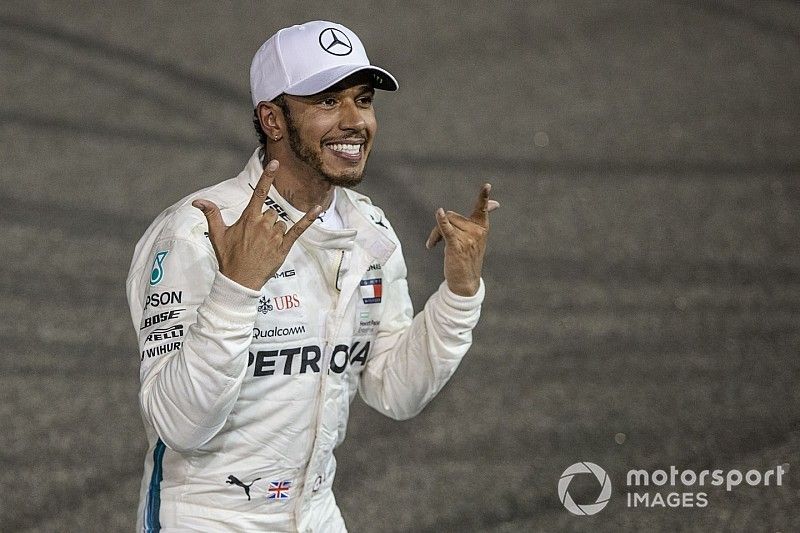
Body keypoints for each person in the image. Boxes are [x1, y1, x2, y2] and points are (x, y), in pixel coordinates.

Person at [126, 20, 498, 532]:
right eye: (328, 102)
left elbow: (393, 387)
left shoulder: (368, 230)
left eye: (363, 99)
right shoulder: (196, 234)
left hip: (315, 514)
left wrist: (458, 294)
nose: (355, 121)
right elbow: (179, 425)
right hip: (206, 518)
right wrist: (236, 290)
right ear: (273, 119)